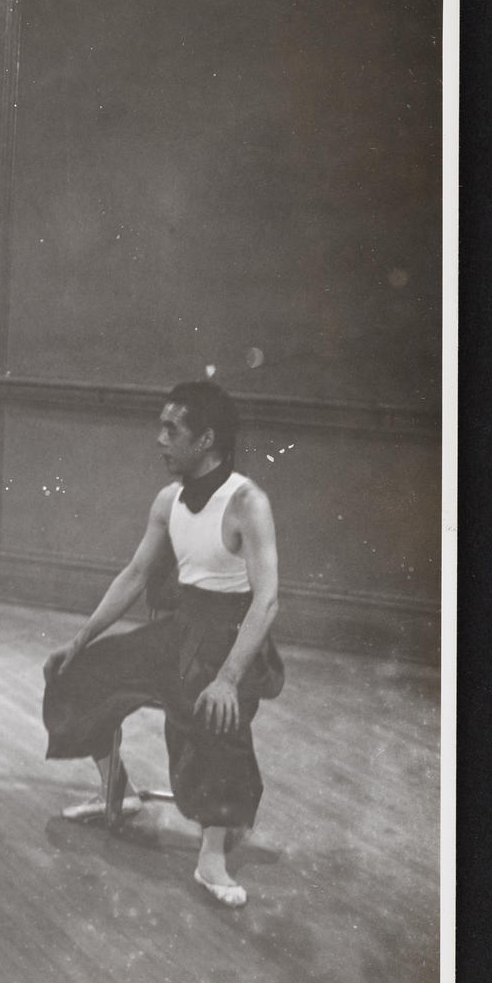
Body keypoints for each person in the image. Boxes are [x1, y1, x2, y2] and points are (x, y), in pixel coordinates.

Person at [40, 381, 284, 907]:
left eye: (172, 429)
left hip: (232, 639)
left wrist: (228, 677)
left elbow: (266, 603)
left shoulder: (248, 502)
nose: (160, 439)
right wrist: (80, 640)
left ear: (207, 439)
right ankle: (117, 792)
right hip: (181, 628)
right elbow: (133, 575)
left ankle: (211, 858)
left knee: (215, 712)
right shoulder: (168, 499)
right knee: (75, 673)